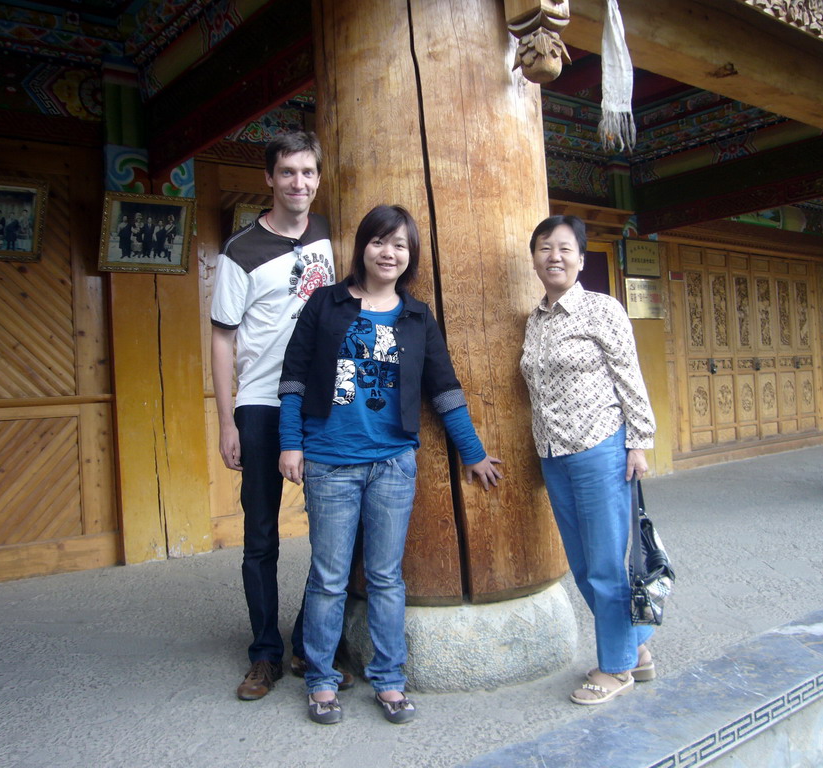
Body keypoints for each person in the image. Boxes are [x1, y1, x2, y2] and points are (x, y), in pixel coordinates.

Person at [278, 204, 503, 726]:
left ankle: (390, 679)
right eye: (380, 241)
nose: (389, 252)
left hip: (393, 465)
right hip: (330, 461)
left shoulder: (417, 317)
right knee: (330, 576)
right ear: (362, 246)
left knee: (385, 576)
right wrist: (292, 444)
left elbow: (444, 390)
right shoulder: (326, 304)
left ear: (411, 256)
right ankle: (321, 679)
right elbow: (292, 377)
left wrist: (471, 451)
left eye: (400, 245)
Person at [210, 131, 343, 703]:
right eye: (287, 173)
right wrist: (226, 420)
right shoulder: (239, 252)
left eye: (308, 173)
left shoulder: (332, 236)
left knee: (334, 533)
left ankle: (310, 642)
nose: (299, 183)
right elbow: (221, 339)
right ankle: (264, 652)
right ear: (269, 179)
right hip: (261, 404)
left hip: (323, 403)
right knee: (260, 534)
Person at [520, 215, 657, 706]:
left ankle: (616, 667)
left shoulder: (602, 309)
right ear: (534, 257)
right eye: (543, 248)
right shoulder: (534, 318)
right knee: (581, 565)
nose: (553, 257)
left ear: (580, 257)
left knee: (604, 564)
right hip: (553, 453)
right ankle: (637, 648)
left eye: (564, 248)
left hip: (600, 449)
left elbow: (630, 377)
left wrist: (638, 442)